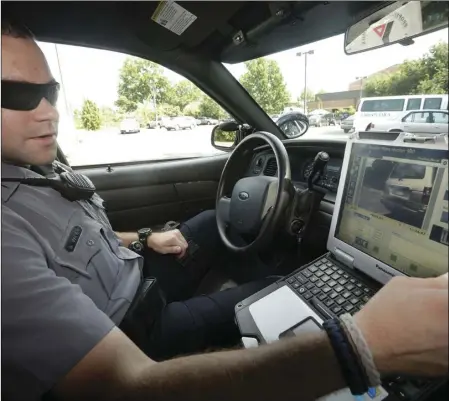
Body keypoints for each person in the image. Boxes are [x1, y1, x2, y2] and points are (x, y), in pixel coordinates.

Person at [2, 21, 448, 401]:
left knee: (218, 219)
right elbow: (125, 385)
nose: (47, 112)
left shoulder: (32, 170)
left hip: (136, 271)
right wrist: (360, 346)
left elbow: (86, 234)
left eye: (50, 91)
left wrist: (143, 238)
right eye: (19, 96)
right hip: (132, 328)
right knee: (279, 287)